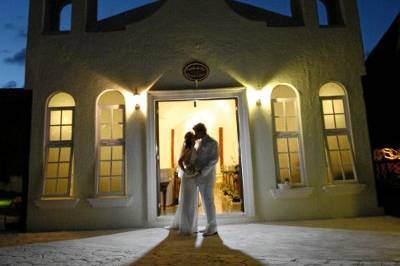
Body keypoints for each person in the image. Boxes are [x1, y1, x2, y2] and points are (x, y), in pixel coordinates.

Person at [192, 123, 219, 237]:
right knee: (204, 202)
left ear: (201, 131)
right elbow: (199, 159)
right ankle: (209, 225)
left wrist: (202, 172)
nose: (195, 135)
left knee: (208, 201)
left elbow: (213, 160)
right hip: (200, 177)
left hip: (207, 177)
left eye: (196, 132)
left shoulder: (213, 143)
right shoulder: (200, 142)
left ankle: (213, 228)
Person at [169, 132, 199, 235]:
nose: (195, 140)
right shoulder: (188, 150)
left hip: (194, 178)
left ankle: (192, 225)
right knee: (187, 201)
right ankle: (186, 227)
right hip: (188, 178)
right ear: (190, 140)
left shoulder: (194, 150)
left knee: (193, 201)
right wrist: (186, 171)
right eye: (193, 139)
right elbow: (180, 161)